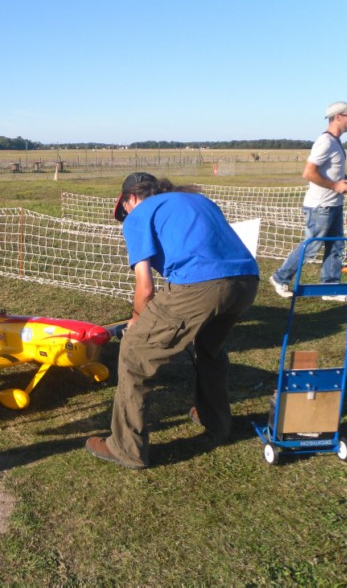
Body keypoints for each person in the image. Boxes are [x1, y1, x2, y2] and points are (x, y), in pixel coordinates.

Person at [85, 173, 259, 470]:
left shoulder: (138, 215)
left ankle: (126, 448)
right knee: (210, 349)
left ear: (132, 198)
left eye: (124, 207)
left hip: (200, 285)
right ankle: (216, 421)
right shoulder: (196, 200)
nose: (126, 213)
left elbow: (146, 286)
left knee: (133, 353)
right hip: (246, 281)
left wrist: (137, 321)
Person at [268, 101, 347, 302]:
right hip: (320, 206)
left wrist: (344, 180)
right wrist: (336, 186)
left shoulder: (336, 142)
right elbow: (308, 172)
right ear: (338, 117)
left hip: (333, 204)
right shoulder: (326, 142)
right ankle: (280, 277)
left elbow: (327, 171)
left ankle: (330, 287)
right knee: (312, 246)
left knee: (337, 246)